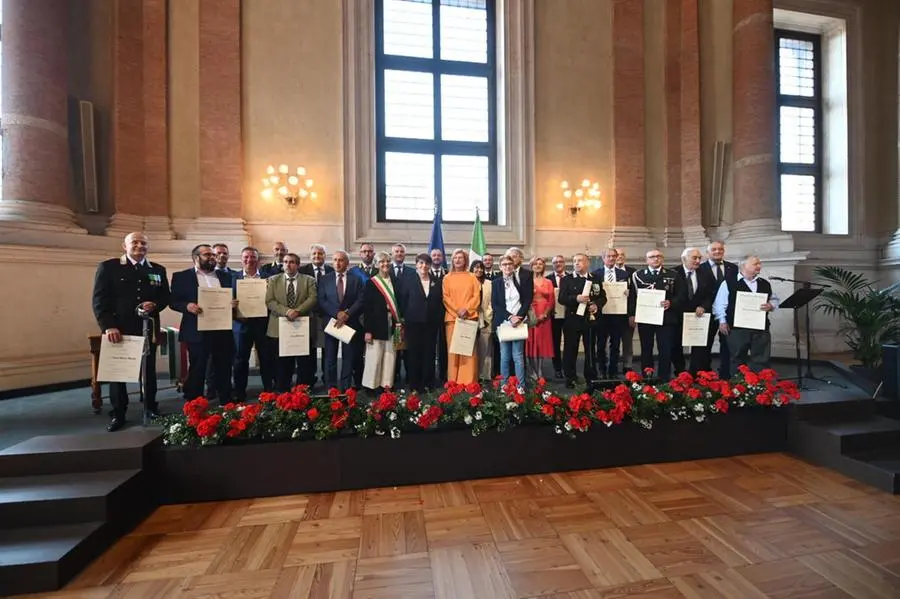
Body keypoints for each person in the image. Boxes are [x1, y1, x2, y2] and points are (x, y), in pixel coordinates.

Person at [92, 232, 170, 431]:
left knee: (148, 371)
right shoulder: (109, 267)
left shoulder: (158, 270)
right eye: (134, 242)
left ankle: (151, 407)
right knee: (119, 374)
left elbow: (165, 297)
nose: (139, 245)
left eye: (143, 242)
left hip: (147, 329)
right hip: (119, 329)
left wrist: (156, 305)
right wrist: (108, 326)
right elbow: (100, 301)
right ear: (124, 246)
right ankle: (119, 413)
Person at [170, 244, 236, 403]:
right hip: (196, 330)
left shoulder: (225, 276)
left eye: (213, 255)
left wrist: (232, 303)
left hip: (222, 329)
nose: (213, 258)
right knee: (198, 368)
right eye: (208, 255)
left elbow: (231, 297)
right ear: (196, 257)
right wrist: (187, 306)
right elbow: (173, 301)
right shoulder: (181, 276)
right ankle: (196, 403)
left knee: (224, 366)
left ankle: (225, 401)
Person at [627, 249, 686, 381]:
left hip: (667, 318)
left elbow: (682, 294)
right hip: (646, 318)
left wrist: (671, 302)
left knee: (665, 349)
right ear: (646, 260)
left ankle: (664, 378)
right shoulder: (638, 275)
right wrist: (632, 314)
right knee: (646, 348)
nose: (655, 259)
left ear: (662, 259)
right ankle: (647, 377)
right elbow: (632, 297)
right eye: (652, 257)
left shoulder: (673, 275)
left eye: (658, 256)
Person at [713, 255, 778, 372]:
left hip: (761, 327)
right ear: (743, 266)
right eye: (755, 264)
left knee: (761, 358)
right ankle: (739, 387)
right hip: (737, 328)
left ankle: (760, 385)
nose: (759, 266)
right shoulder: (728, 283)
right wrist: (722, 321)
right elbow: (720, 304)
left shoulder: (764, 283)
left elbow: (774, 299)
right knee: (737, 358)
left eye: (759, 263)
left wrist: (771, 305)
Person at [265, 253, 318, 391]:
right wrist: (287, 311)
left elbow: (312, 298)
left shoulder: (309, 280)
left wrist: (298, 311)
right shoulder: (273, 280)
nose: (288, 264)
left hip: (302, 327)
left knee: (303, 363)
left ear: (298, 265)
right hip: (279, 327)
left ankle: (301, 392)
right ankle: (283, 392)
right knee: (282, 363)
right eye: (286, 262)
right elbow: (269, 301)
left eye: (292, 262)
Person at [317, 250, 365, 391]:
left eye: (341, 260)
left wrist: (347, 314)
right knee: (330, 357)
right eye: (335, 260)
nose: (337, 263)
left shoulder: (356, 279)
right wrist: (337, 313)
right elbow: (321, 300)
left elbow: (360, 300)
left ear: (347, 263)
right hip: (332, 323)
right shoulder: (325, 279)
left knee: (348, 357)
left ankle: (345, 387)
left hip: (350, 323)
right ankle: (331, 387)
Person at [231, 246, 274, 400]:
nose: (249, 260)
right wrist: (232, 306)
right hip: (241, 324)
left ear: (258, 260)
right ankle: (240, 392)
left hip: (263, 324)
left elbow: (273, 300)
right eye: (246, 257)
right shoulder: (232, 277)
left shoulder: (268, 278)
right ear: (241, 259)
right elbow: (226, 299)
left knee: (266, 358)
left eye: (253, 257)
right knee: (240, 360)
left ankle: (269, 391)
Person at [559, 253, 606, 387]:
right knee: (570, 350)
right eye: (574, 261)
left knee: (590, 349)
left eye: (580, 260)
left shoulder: (595, 278)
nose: (576, 263)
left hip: (590, 319)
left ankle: (590, 376)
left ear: (587, 263)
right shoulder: (567, 279)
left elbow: (602, 296)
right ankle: (570, 377)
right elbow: (561, 298)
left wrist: (597, 305)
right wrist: (576, 298)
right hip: (573, 319)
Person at [399, 253, 444, 392]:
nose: (424, 266)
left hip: (431, 323)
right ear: (416, 265)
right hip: (413, 323)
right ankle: (415, 384)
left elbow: (440, 302)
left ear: (430, 265)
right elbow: (402, 301)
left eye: (426, 264)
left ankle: (428, 382)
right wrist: (404, 319)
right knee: (414, 353)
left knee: (429, 353)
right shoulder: (408, 280)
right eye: (421, 263)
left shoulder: (437, 280)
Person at [363, 252, 402, 391]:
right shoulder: (371, 282)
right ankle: (371, 386)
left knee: (390, 356)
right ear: (376, 264)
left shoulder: (396, 281)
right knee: (374, 356)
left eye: (387, 261)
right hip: (376, 325)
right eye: (381, 262)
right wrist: (367, 330)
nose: (385, 264)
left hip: (392, 324)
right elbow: (366, 309)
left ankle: (386, 385)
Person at [699, 240, 739, 378]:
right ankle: (706, 374)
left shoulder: (733, 268)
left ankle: (725, 374)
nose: (717, 251)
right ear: (707, 252)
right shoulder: (700, 268)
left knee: (727, 345)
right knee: (705, 345)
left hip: (726, 313)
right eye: (714, 249)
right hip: (706, 312)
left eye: (720, 249)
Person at [442, 249, 482, 384]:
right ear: (452, 260)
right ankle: (453, 382)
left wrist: (467, 310)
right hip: (453, 319)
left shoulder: (472, 277)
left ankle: (469, 382)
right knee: (453, 351)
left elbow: (476, 296)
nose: (458, 260)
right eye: (455, 258)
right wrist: (458, 311)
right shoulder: (447, 278)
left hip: (469, 318)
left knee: (468, 351)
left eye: (461, 257)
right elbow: (446, 298)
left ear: (465, 260)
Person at [674, 247, 716, 374]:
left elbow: (711, 294)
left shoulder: (706, 273)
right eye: (694, 258)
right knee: (675, 345)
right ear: (684, 259)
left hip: (698, 315)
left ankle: (695, 372)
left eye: (699, 258)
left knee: (698, 346)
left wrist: (704, 306)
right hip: (677, 316)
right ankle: (680, 370)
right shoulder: (674, 272)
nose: (698, 261)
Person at [592, 248, 629, 378]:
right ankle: (602, 370)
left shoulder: (624, 274)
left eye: (614, 256)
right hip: (601, 315)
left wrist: (628, 293)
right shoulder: (595, 274)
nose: (612, 258)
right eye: (609, 256)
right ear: (603, 258)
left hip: (618, 314)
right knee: (600, 344)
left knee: (616, 344)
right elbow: (593, 293)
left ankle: (613, 371)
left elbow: (631, 294)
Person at [492, 255, 527, 384]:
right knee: (505, 356)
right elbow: (495, 305)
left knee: (518, 356)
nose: (507, 266)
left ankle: (521, 386)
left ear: (513, 266)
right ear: (500, 267)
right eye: (504, 264)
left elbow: (526, 300)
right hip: (503, 322)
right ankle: (504, 386)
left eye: (509, 264)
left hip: (519, 322)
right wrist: (510, 317)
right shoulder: (495, 283)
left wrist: (518, 317)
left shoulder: (519, 281)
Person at [526, 256, 554, 381]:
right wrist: (532, 315)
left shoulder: (548, 282)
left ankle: (540, 370)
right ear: (531, 266)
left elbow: (551, 300)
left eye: (540, 264)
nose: (538, 265)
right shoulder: (526, 280)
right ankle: (532, 370)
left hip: (544, 315)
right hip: (531, 314)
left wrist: (545, 314)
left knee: (541, 344)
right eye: (535, 264)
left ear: (543, 266)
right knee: (531, 343)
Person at [470, 259, 494, 381]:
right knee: (471, 348)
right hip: (470, 318)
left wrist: (488, 316)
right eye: (476, 267)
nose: (478, 270)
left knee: (485, 348)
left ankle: (484, 375)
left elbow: (492, 302)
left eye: (481, 268)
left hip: (486, 318)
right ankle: (472, 374)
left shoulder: (489, 283)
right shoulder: (467, 282)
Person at [547, 254, 568, 379]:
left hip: (569, 316)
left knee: (569, 343)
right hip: (554, 316)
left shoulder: (571, 277)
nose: (558, 264)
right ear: (553, 265)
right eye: (555, 262)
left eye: (560, 261)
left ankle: (567, 366)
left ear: (564, 263)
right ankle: (557, 368)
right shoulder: (548, 279)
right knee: (555, 342)